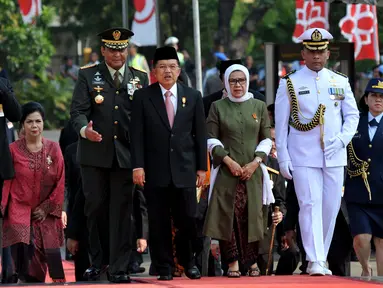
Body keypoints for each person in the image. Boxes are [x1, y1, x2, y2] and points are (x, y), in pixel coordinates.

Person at [274, 27, 359, 276]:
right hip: (303, 154)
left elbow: (352, 116)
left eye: (320, 51)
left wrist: (342, 139)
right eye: (311, 51)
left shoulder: (339, 81)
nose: (316, 56)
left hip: (334, 154)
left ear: (328, 54)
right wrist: (283, 157)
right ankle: (315, 260)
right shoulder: (290, 82)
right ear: (303, 53)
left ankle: (320, 254)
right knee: (309, 204)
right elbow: (280, 124)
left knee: (330, 207)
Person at [70, 27, 149, 283]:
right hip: (94, 155)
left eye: (122, 48)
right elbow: (78, 112)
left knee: (122, 212)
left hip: (125, 156)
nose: (118, 54)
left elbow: (144, 119)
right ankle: (98, 262)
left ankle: (119, 267)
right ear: (103, 50)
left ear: (128, 50)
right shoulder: (88, 76)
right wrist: (84, 130)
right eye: (112, 49)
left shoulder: (140, 78)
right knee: (95, 208)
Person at [130, 46, 207, 281]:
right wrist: (138, 166)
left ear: (179, 70)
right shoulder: (143, 97)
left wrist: (202, 167)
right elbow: (137, 135)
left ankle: (188, 262)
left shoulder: (192, 96)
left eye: (172, 67)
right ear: (154, 70)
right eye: (162, 67)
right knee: (158, 221)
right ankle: (163, 266)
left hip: (185, 169)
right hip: (155, 170)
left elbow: (200, 134)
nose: (167, 71)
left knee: (187, 220)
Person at [204, 64, 275, 277]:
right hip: (227, 171)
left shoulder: (259, 106)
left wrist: (255, 163)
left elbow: (266, 139)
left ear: (247, 81)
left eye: (242, 80)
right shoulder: (217, 106)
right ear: (226, 82)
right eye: (233, 81)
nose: (238, 85)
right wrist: (228, 161)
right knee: (228, 217)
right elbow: (211, 138)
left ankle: (252, 262)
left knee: (252, 216)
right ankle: (232, 262)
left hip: (252, 172)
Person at [1, 102, 65, 283]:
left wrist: (47, 207)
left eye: (38, 121)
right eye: (29, 122)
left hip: (47, 212)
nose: (34, 126)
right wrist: (4, 207)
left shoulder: (54, 148)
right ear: (23, 124)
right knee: (23, 261)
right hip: (19, 211)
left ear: (43, 123)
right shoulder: (12, 150)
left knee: (50, 259)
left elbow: (60, 181)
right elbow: (6, 181)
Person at [344, 78, 383, 277]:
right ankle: (366, 272)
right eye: (374, 96)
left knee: (382, 241)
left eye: (382, 97)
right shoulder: (353, 122)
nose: (378, 100)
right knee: (362, 237)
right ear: (366, 99)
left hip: (382, 191)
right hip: (358, 191)